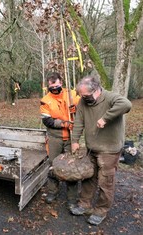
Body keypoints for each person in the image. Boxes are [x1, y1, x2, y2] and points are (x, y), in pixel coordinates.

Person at [70, 75, 132, 226]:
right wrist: (75, 141)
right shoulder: (83, 102)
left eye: (85, 95)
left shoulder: (111, 97)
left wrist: (106, 118)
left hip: (109, 149)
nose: (83, 98)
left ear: (96, 90)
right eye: (81, 95)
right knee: (89, 177)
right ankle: (84, 204)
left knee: (106, 182)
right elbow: (78, 122)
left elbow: (127, 104)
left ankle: (100, 210)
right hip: (92, 148)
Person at [40, 72, 80, 207]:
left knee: (71, 166)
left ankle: (72, 198)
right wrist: (63, 123)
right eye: (52, 87)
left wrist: (77, 109)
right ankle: (52, 192)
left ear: (61, 82)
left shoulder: (72, 94)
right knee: (53, 164)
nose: (55, 89)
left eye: (57, 86)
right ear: (48, 86)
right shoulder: (45, 100)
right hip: (54, 138)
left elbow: (86, 108)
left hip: (71, 137)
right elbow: (47, 121)